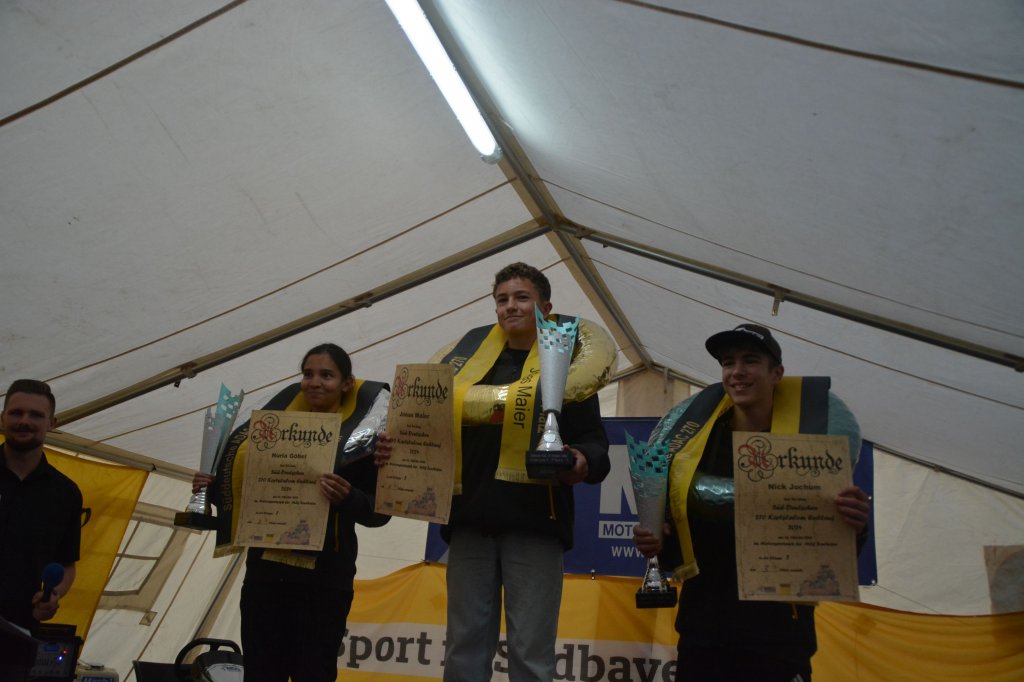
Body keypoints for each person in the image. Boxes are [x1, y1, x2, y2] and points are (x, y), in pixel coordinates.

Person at [378, 262, 610, 681]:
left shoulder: (566, 362)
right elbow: (427, 429)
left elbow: (594, 442)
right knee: (463, 648)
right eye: (502, 300)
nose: (510, 306)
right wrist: (398, 448)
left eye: (522, 297)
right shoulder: (464, 365)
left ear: (546, 307)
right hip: (470, 523)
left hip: (535, 525)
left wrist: (581, 460)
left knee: (531, 652)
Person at [632, 323, 871, 682]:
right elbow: (677, 550)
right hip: (703, 634)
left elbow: (829, 552)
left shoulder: (811, 444)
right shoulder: (697, 447)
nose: (737, 372)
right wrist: (658, 542)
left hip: (779, 639)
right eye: (728, 363)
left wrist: (855, 523)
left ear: (777, 374)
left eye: (750, 361)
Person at [192, 344, 390, 682]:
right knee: (261, 674)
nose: (315, 382)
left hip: (325, 582)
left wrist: (349, 497)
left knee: (314, 674)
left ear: (347, 383)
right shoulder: (266, 437)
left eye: (326, 375)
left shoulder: (366, 441)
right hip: (265, 577)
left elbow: (379, 514)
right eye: (308, 374)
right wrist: (209, 486)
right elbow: (245, 496)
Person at [0, 379, 82, 630]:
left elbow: (67, 563)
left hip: (18, 632)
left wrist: (54, 594)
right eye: (16, 413)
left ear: (52, 423)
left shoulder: (66, 493)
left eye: (36, 415)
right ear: (2, 419)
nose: (24, 421)